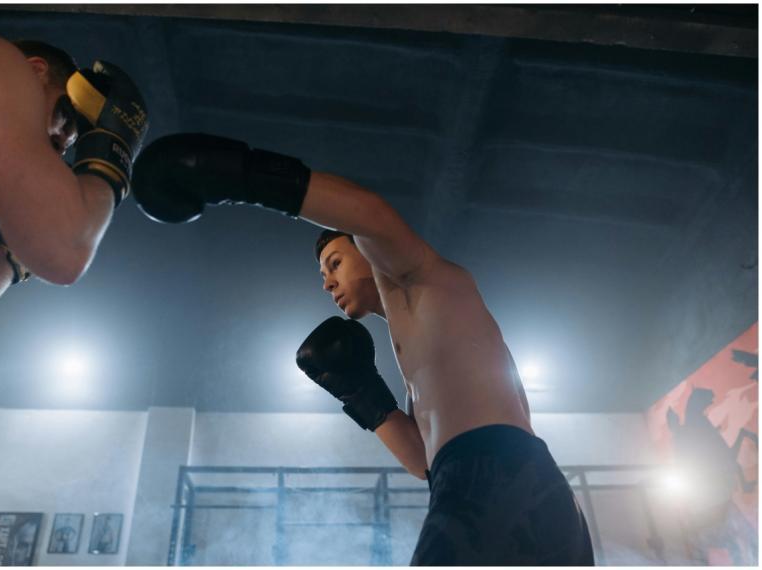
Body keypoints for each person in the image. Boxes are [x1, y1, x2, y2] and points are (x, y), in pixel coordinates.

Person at [130, 132, 595, 565]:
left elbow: (368, 214)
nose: (327, 282)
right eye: (323, 274)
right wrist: (362, 393)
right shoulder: (421, 347)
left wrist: (237, 175)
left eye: (334, 262)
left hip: (496, 476)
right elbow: (424, 463)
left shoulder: (429, 280)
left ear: (367, 251)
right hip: (506, 486)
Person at [0, 23, 149, 347]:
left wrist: (12, 247)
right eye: (63, 116)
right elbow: (65, 256)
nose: (53, 150)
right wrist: (112, 154)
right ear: (35, 71)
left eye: (58, 148)